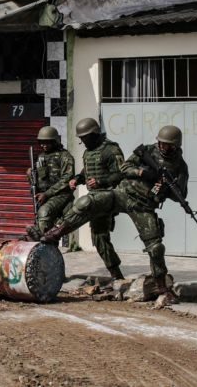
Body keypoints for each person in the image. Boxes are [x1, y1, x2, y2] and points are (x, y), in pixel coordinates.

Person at [42, 125, 188, 306]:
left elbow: (181, 193)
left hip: (143, 206)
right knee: (87, 202)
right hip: (122, 194)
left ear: (175, 145)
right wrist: (142, 172)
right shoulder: (148, 151)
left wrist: (166, 187)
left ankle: (162, 288)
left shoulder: (180, 167)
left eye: (168, 145)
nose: (163, 147)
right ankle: (55, 233)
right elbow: (125, 167)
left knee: (156, 247)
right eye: (161, 143)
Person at [63, 117, 125, 280]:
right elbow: (87, 172)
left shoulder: (111, 150)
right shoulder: (88, 152)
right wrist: (77, 179)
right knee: (98, 237)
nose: (83, 141)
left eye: (86, 137)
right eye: (81, 138)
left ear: (95, 134)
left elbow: (121, 174)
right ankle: (115, 273)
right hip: (93, 197)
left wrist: (101, 181)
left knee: (100, 235)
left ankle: (116, 274)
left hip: (107, 197)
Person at [24, 125, 74, 240]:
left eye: (47, 142)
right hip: (44, 196)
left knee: (44, 213)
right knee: (46, 225)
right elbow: (39, 180)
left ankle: (38, 238)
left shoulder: (65, 156)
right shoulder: (41, 157)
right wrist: (30, 175)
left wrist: (47, 194)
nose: (44, 145)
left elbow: (66, 178)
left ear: (55, 141)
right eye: (41, 142)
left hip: (61, 195)